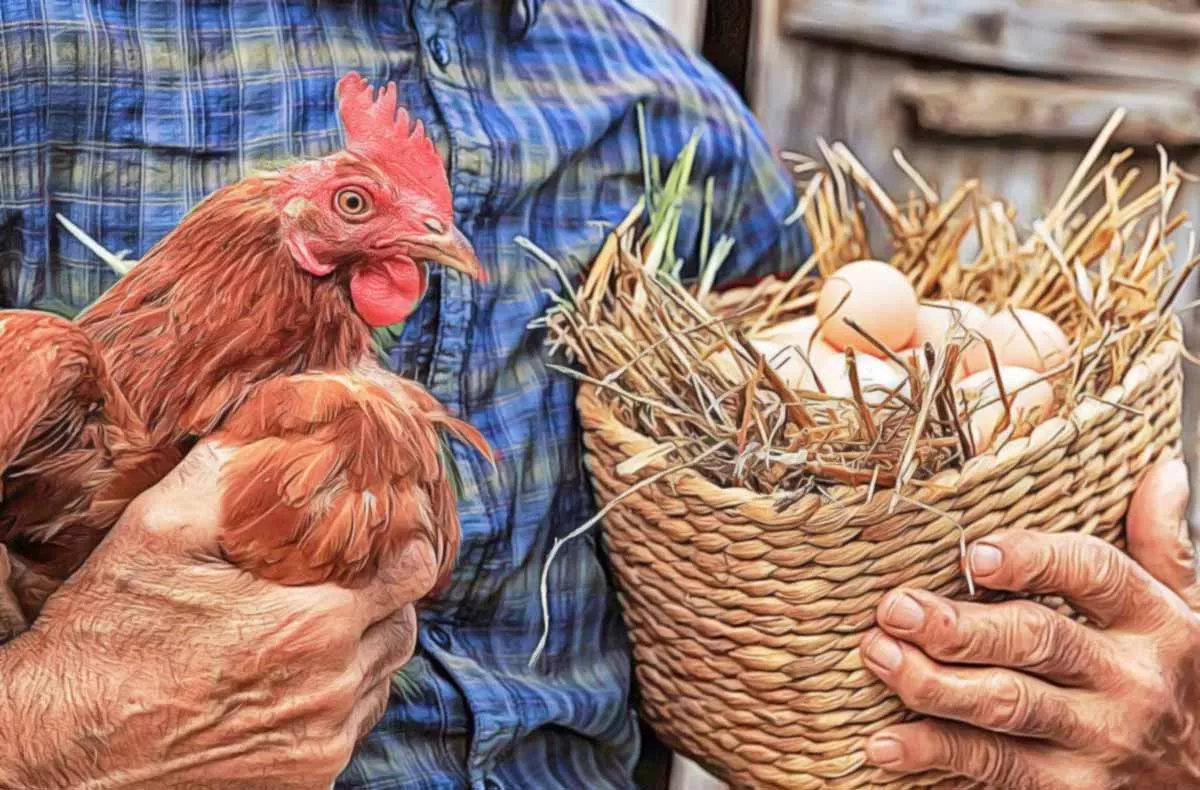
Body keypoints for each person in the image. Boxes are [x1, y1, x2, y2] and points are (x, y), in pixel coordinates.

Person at [0, 1, 1195, 788]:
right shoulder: (37, 44)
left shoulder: (683, 126)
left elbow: (831, 535)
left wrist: (1119, 704)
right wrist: (40, 735)